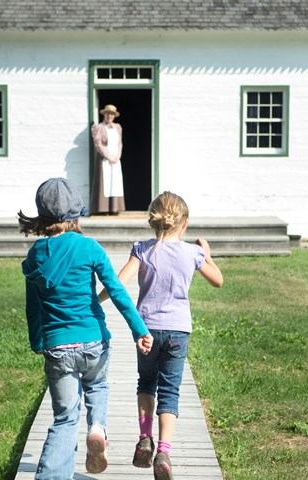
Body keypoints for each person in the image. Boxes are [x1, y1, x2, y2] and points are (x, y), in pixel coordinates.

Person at [18, 177, 153, 480]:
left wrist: (37, 341)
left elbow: (33, 307)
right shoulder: (89, 248)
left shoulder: (35, 256)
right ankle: (97, 427)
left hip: (57, 347)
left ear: (42, 215)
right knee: (98, 385)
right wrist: (139, 329)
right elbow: (116, 290)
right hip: (93, 340)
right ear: (75, 213)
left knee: (65, 419)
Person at [99, 191, 223, 480]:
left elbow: (118, 284)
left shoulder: (142, 249)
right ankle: (164, 451)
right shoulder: (193, 253)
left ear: (153, 221)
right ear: (184, 223)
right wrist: (209, 255)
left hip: (147, 330)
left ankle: (145, 438)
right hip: (178, 331)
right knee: (171, 391)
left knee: (146, 383)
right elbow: (218, 280)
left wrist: (97, 299)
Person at [90, 104, 125, 215]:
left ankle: (114, 208)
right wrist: (109, 156)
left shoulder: (118, 127)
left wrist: (117, 156)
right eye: (108, 113)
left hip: (115, 159)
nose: (109, 116)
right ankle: (103, 208)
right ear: (104, 114)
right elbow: (98, 144)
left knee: (115, 182)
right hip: (104, 159)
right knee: (105, 183)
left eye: (112, 114)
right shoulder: (98, 127)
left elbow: (120, 143)